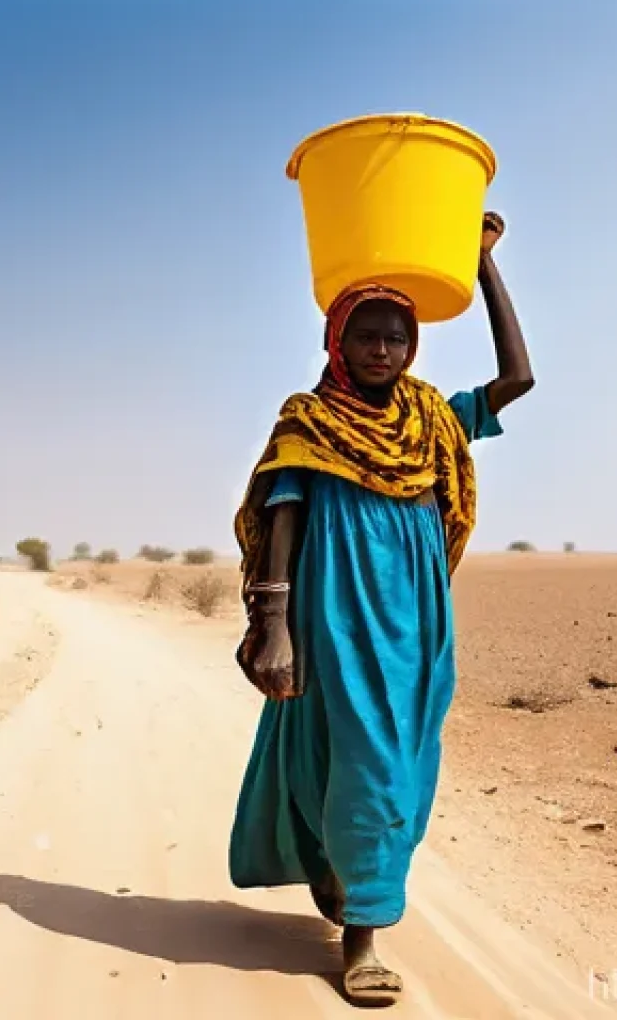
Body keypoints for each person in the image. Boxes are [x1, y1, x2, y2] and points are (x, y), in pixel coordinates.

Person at [229, 212, 534, 1007]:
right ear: (337, 341)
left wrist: (481, 265)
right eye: (367, 336)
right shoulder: (310, 420)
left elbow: (518, 379)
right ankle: (362, 937)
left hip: (420, 624)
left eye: (398, 338)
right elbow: (281, 525)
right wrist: (274, 628)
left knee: (399, 767)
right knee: (359, 760)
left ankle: (342, 868)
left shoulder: (432, 417)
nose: (383, 351)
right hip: (336, 617)